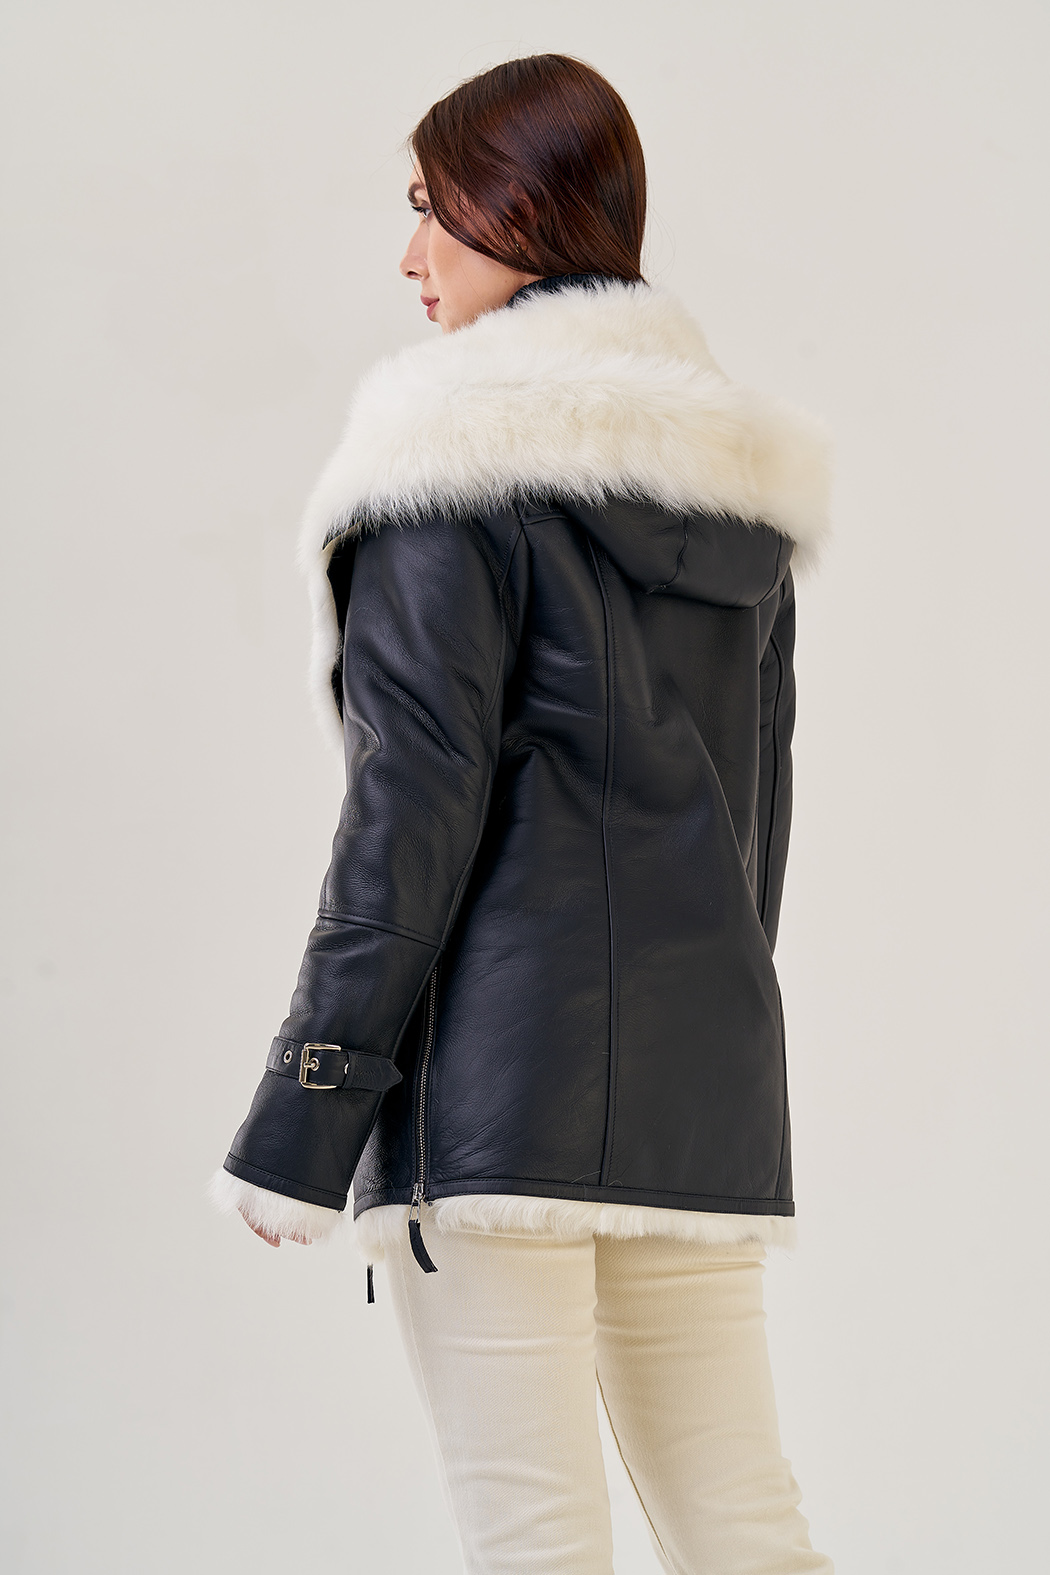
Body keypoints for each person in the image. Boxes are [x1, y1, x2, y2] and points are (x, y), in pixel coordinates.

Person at [210, 52, 834, 1575]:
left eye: (434, 209)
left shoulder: (442, 470)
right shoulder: (731, 498)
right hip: (701, 1101)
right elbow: (754, 832)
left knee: (533, 1544)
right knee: (747, 1531)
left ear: (521, 213)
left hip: (492, 1111)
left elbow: (407, 814)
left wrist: (306, 1110)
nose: (409, 254)